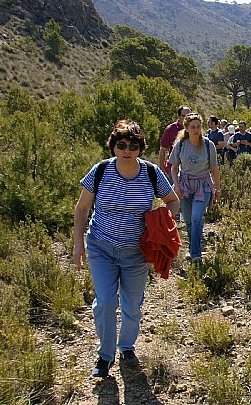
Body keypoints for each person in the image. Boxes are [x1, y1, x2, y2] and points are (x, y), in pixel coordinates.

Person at [73, 120, 179, 378]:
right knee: (105, 303)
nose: (127, 151)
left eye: (133, 146)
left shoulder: (151, 173)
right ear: (113, 147)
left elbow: (173, 201)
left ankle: (127, 347)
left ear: (140, 148)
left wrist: (161, 223)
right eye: (121, 145)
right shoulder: (100, 171)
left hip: (137, 252)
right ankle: (105, 356)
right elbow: (82, 208)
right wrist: (78, 244)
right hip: (101, 247)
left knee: (132, 305)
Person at [169, 113, 221, 263]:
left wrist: (217, 189)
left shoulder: (208, 145)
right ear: (186, 128)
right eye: (193, 127)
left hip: (203, 186)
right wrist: (176, 185)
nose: (196, 130)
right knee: (188, 220)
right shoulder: (180, 145)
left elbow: (214, 168)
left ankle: (196, 253)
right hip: (185, 185)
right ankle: (193, 248)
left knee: (196, 216)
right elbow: (174, 167)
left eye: (198, 126)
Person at [159, 105, 191, 181]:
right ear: (179, 116)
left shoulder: (195, 129)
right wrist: (162, 169)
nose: (187, 119)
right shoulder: (171, 129)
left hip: (191, 169)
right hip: (174, 168)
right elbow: (163, 149)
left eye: (189, 116)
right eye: (184, 116)